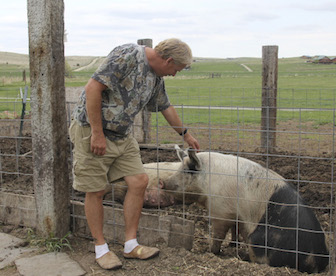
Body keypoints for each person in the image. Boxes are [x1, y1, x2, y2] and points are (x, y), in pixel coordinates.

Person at [69, 38, 200, 270]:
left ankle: (130, 245)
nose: (175, 74)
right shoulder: (127, 55)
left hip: (122, 135)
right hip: (93, 130)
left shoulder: (156, 77)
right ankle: (101, 249)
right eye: (176, 69)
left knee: (139, 181)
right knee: (96, 189)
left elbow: (165, 106)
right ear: (168, 60)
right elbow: (92, 88)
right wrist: (97, 134)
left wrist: (186, 134)